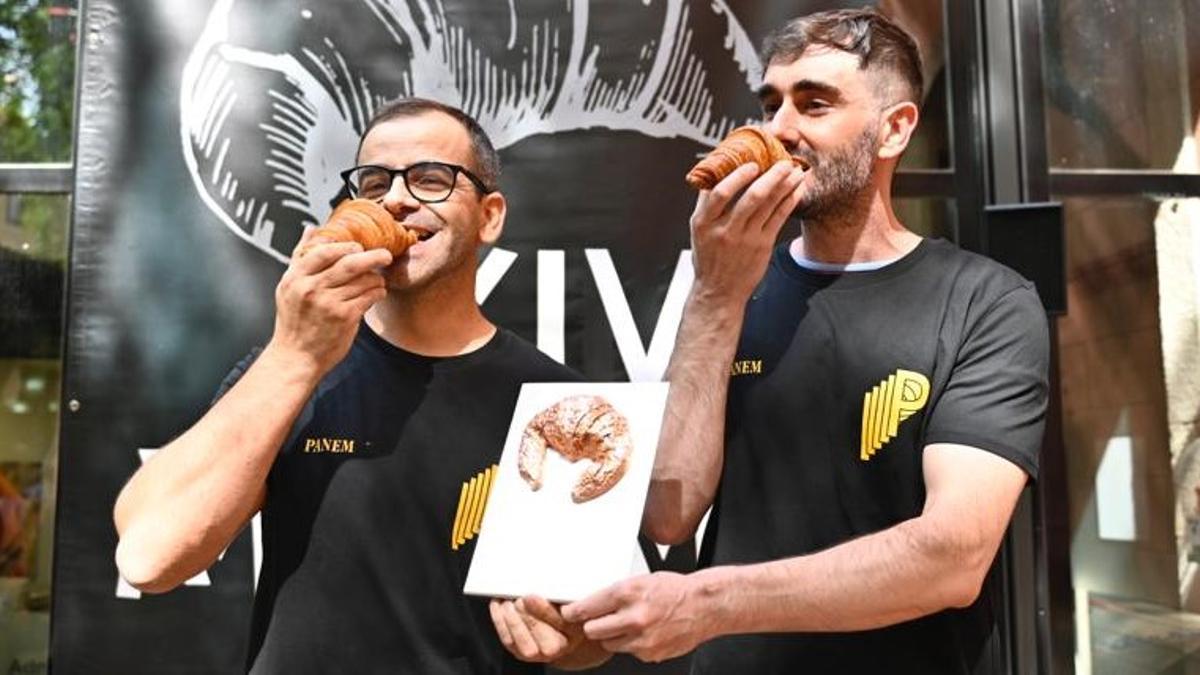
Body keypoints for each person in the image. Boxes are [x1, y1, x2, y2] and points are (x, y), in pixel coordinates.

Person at [498, 9, 1050, 674]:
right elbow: (669, 515)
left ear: (894, 129)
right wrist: (715, 294)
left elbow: (954, 554)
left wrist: (709, 601)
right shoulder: (730, 285)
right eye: (770, 103)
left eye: (814, 103)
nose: (780, 129)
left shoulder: (985, 302)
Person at [113, 97, 607, 673]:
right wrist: (296, 354)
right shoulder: (295, 367)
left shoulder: (559, 403)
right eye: (373, 183)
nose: (396, 200)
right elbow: (150, 556)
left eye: (430, 179)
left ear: (489, 216)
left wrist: (574, 643)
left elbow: (595, 632)